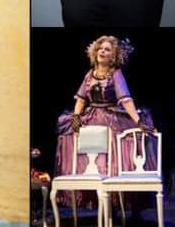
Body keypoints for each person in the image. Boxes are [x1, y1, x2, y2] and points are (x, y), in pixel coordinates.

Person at [54, 35, 156, 209]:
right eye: (100, 48)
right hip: (92, 116)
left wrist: (138, 120)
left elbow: (126, 100)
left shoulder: (116, 74)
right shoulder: (90, 74)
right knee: (74, 139)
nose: (102, 51)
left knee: (115, 154)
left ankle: (117, 201)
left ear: (113, 56)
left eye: (107, 49)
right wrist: (76, 117)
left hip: (111, 117)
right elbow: (81, 99)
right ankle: (95, 198)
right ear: (95, 52)